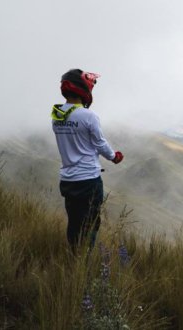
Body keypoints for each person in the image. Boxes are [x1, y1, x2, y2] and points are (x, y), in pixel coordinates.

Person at [51, 68, 123, 251]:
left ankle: (74, 255)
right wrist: (114, 157)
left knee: (74, 223)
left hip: (67, 180)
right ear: (84, 88)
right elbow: (100, 143)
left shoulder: (57, 115)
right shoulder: (89, 116)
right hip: (88, 180)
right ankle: (84, 262)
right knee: (90, 224)